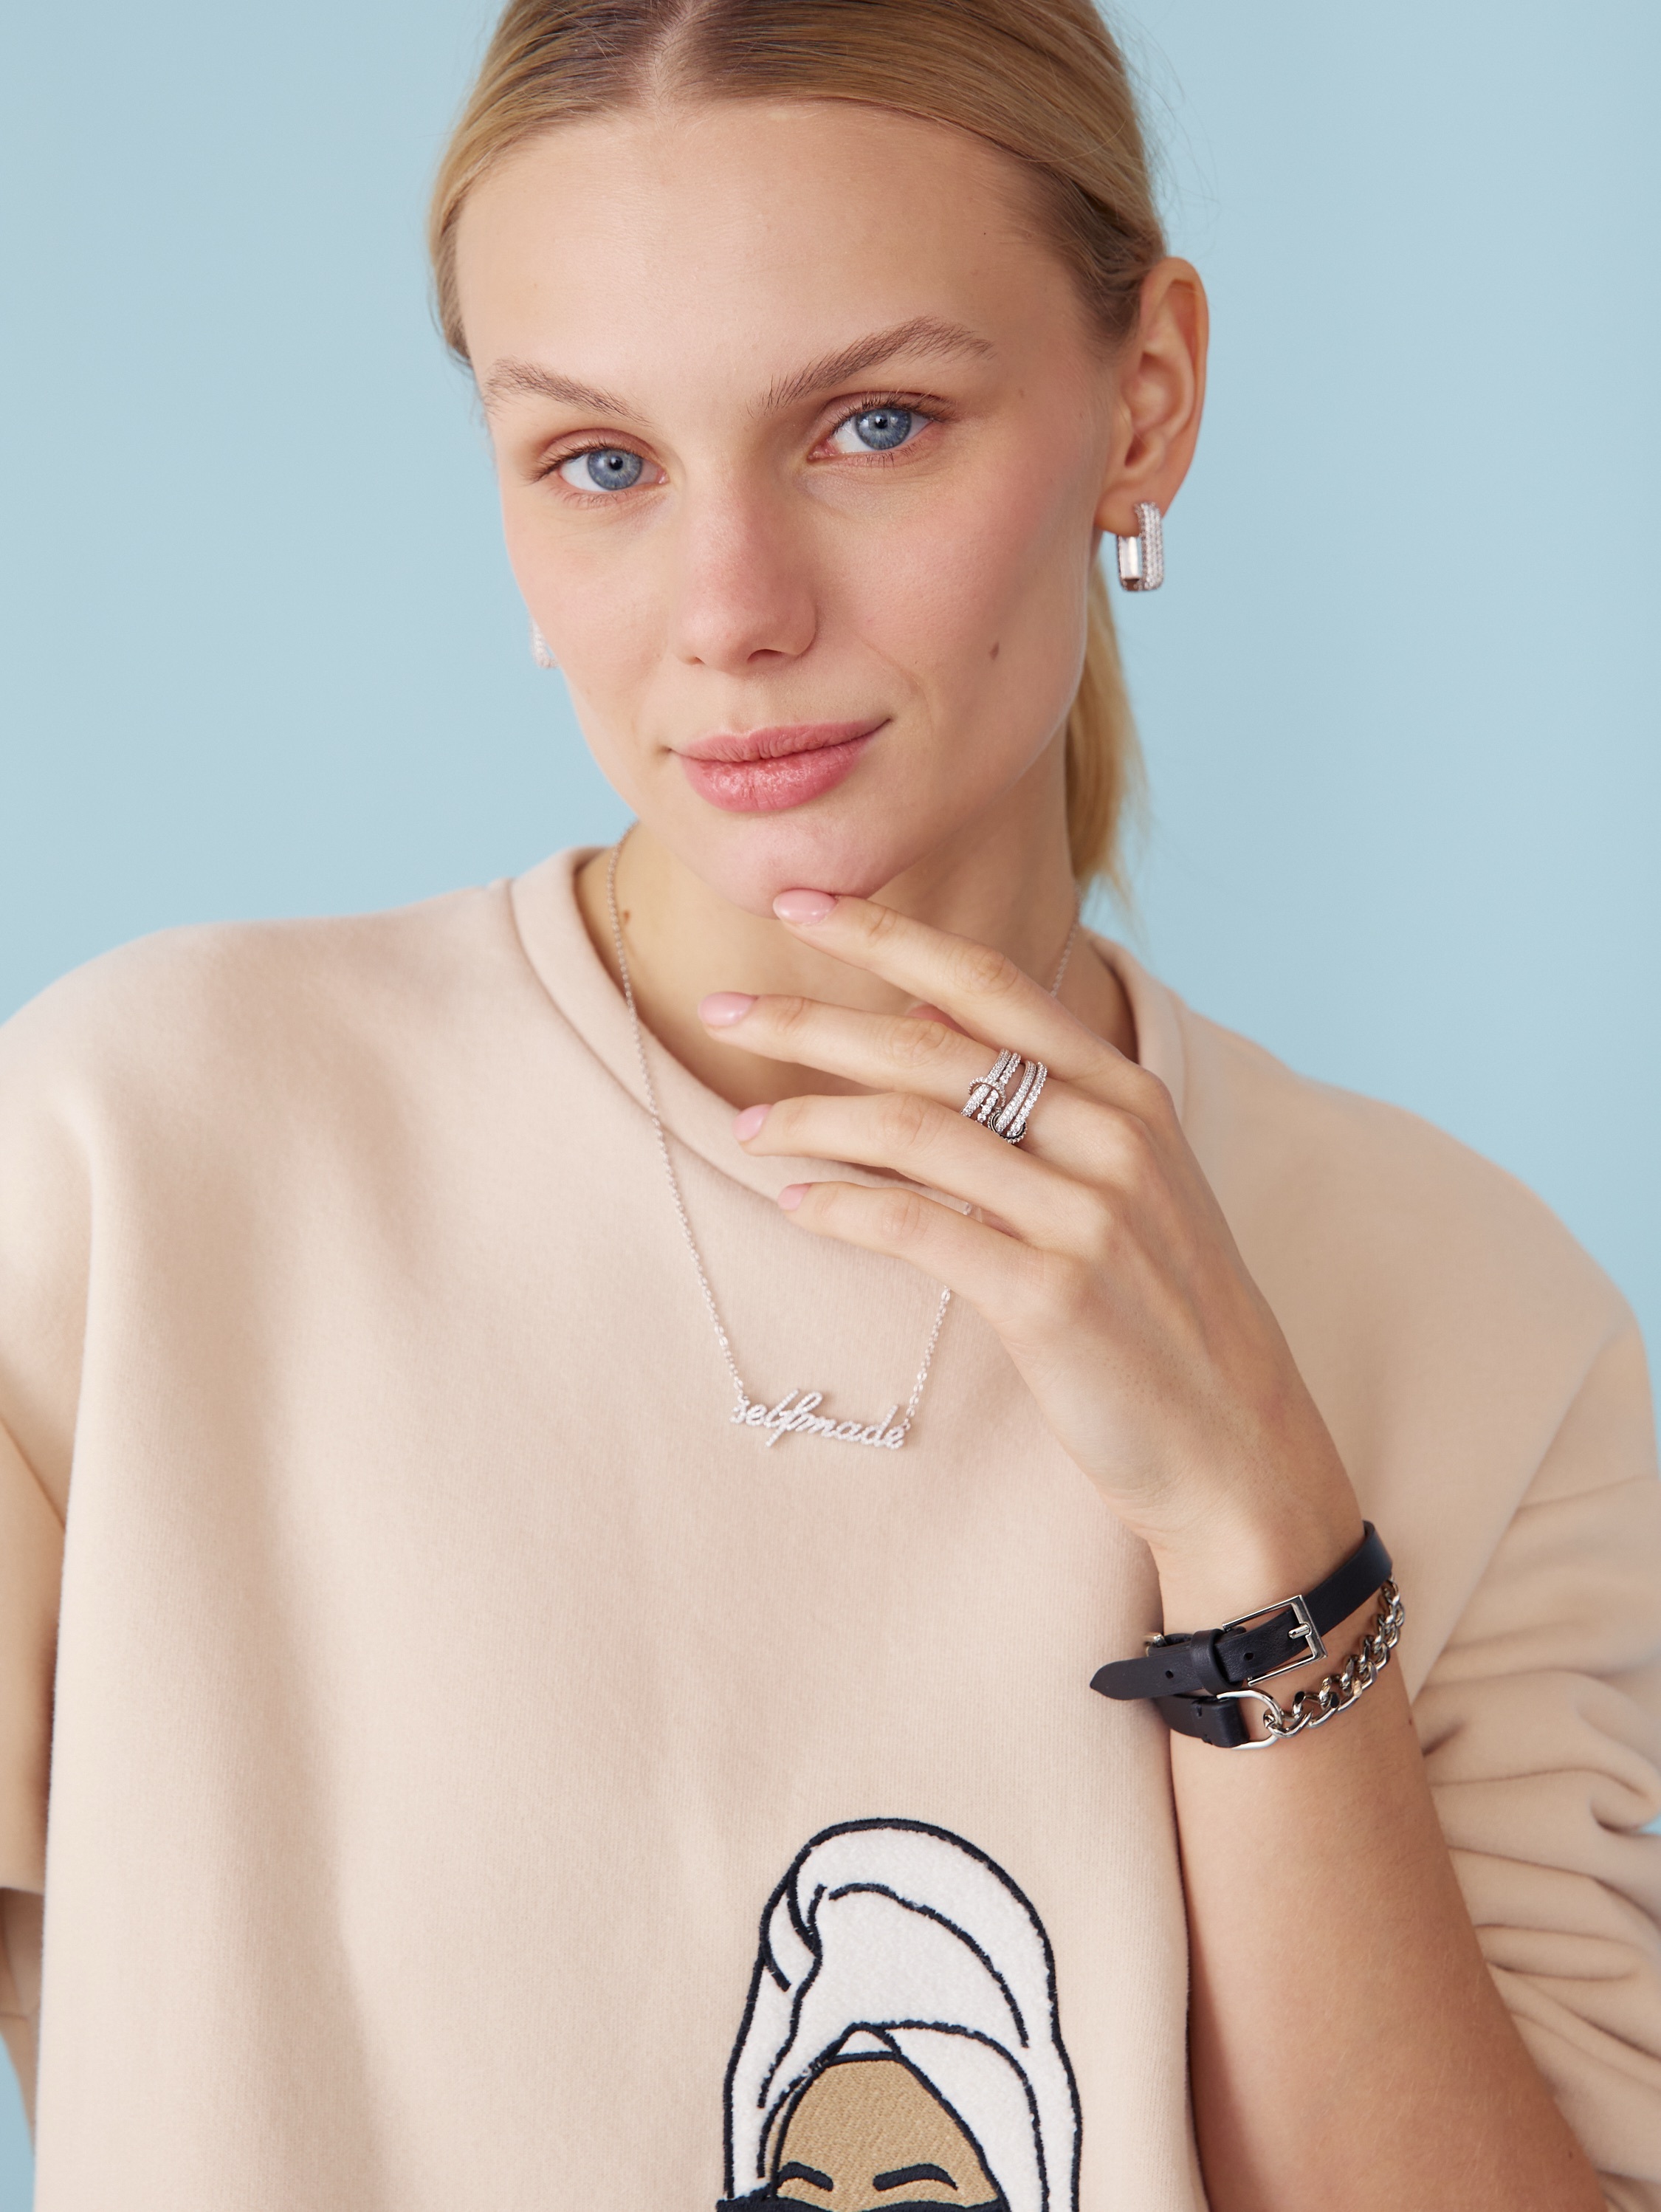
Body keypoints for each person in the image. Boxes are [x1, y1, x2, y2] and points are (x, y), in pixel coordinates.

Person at [0, 2, 1657, 2206]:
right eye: (600, 463)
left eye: (874, 425)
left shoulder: (1474, 1317)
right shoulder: (134, 1169)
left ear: (1143, 403)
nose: (729, 613)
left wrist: (1260, 1528)